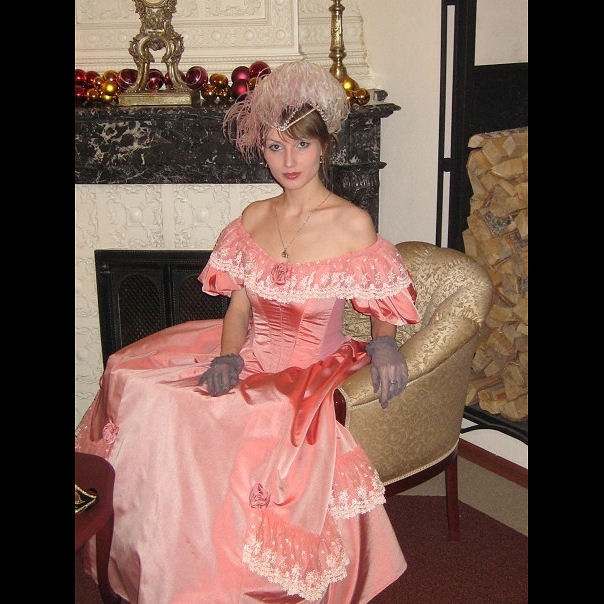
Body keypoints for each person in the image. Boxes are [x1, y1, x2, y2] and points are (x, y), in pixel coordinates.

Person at [75, 59, 420, 603]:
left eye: (301, 145)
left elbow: (381, 294)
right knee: (134, 378)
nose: (289, 160)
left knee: (238, 415)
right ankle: (174, 552)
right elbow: (238, 305)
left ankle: (226, 571)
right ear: (262, 149)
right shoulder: (253, 216)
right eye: (276, 147)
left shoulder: (351, 222)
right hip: (248, 355)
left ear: (324, 146)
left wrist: (383, 342)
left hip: (307, 371)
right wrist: (228, 355)